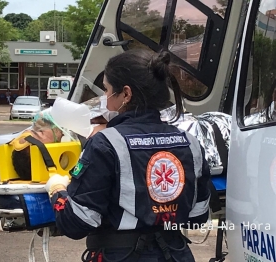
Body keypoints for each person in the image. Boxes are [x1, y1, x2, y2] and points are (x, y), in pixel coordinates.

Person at [45, 49, 211, 262]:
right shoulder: (190, 142)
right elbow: (196, 217)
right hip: (176, 255)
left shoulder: (106, 143)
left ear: (126, 94)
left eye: (106, 90)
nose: (104, 97)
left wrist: (57, 189)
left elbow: (77, 223)